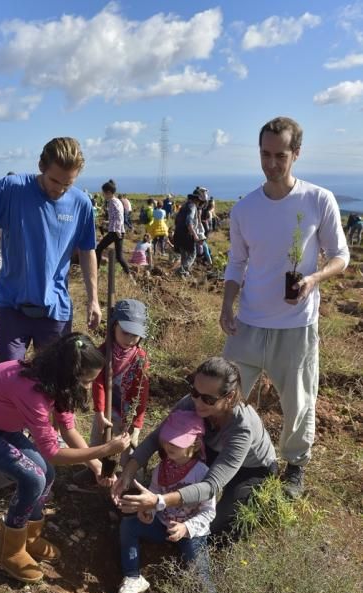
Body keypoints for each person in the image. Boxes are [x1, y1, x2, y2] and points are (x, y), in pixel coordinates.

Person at [220, 116, 350, 498]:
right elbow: (236, 263)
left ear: (297, 154)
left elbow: (341, 256)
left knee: (298, 401)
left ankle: (294, 466)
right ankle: (230, 456)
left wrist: (312, 280)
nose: (272, 163)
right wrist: (227, 305)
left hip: (296, 325)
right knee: (224, 394)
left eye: (280, 155)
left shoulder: (317, 199)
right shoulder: (244, 208)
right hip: (248, 321)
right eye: (265, 154)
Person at [0, 333, 131, 583]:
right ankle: (8, 550)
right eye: (86, 381)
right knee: (32, 478)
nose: (88, 387)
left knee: (48, 472)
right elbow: (53, 451)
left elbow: (68, 430)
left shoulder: (56, 384)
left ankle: (29, 537)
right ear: (68, 375)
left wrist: (96, 466)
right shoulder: (32, 391)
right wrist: (103, 451)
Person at [0, 137, 101, 362]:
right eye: (55, 181)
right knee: (11, 380)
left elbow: (87, 250)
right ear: (41, 166)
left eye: (67, 184)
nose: (60, 190)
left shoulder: (81, 204)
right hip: (11, 306)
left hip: (55, 311)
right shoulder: (13, 188)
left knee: (54, 383)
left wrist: (93, 299)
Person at [112, 357, 278, 541]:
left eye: (208, 399)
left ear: (229, 397)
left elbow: (210, 486)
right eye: (194, 392)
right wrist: (128, 471)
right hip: (211, 449)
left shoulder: (241, 428)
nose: (198, 403)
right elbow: (156, 438)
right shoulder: (191, 403)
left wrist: (160, 500)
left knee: (213, 529)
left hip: (252, 468)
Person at [112, 409, 219, 593]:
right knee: (129, 525)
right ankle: (133, 576)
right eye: (168, 440)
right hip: (163, 524)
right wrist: (148, 512)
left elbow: (209, 512)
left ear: (195, 444)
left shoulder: (202, 473)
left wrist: (185, 528)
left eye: (177, 442)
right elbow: (153, 494)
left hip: (191, 533)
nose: (170, 445)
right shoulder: (161, 469)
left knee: (200, 570)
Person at [74, 299, 149, 485]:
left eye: (135, 335)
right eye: (125, 333)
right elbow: (98, 383)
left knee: (126, 445)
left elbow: (142, 393)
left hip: (127, 413)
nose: (130, 339)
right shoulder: (103, 352)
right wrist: (99, 412)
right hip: (106, 409)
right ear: (113, 326)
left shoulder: (140, 359)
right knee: (99, 440)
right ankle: (94, 470)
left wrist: (136, 423)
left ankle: (128, 479)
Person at [95, 180, 132, 277]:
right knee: (119, 256)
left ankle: (96, 271)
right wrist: (106, 222)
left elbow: (119, 217)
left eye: (103, 193)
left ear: (108, 192)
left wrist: (117, 230)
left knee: (98, 248)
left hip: (115, 232)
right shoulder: (117, 201)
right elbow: (116, 217)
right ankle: (129, 275)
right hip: (119, 231)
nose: (102, 194)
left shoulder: (112, 202)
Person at [173, 186, 209, 277]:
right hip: (187, 235)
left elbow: (177, 220)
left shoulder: (185, 205)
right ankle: (181, 271)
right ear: (200, 199)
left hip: (178, 233)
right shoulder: (192, 207)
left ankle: (183, 274)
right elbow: (189, 222)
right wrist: (195, 235)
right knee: (192, 255)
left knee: (184, 255)